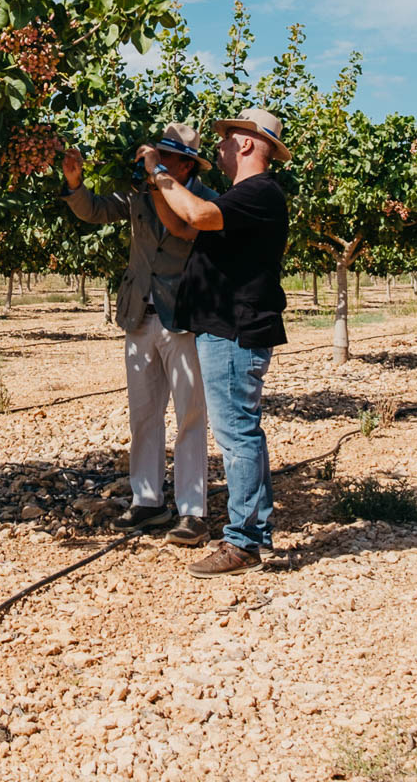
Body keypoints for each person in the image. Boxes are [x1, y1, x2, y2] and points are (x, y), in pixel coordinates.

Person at [143, 107, 290, 577]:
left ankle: (243, 541)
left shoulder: (260, 192)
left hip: (234, 331)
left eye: (227, 139)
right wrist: (156, 186)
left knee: (236, 435)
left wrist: (158, 172)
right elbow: (183, 226)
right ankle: (251, 531)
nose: (221, 146)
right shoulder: (244, 197)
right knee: (241, 433)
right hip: (225, 329)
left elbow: (199, 214)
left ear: (247, 144)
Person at [62, 124, 216, 547]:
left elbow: (187, 229)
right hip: (139, 315)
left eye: (167, 159)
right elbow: (93, 210)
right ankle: (148, 500)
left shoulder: (207, 202)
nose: (158, 163)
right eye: (156, 156)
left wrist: (155, 183)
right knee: (143, 414)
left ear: (187, 165)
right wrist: (75, 181)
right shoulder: (139, 193)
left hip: (183, 318)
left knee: (190, 417)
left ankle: (192, 511)